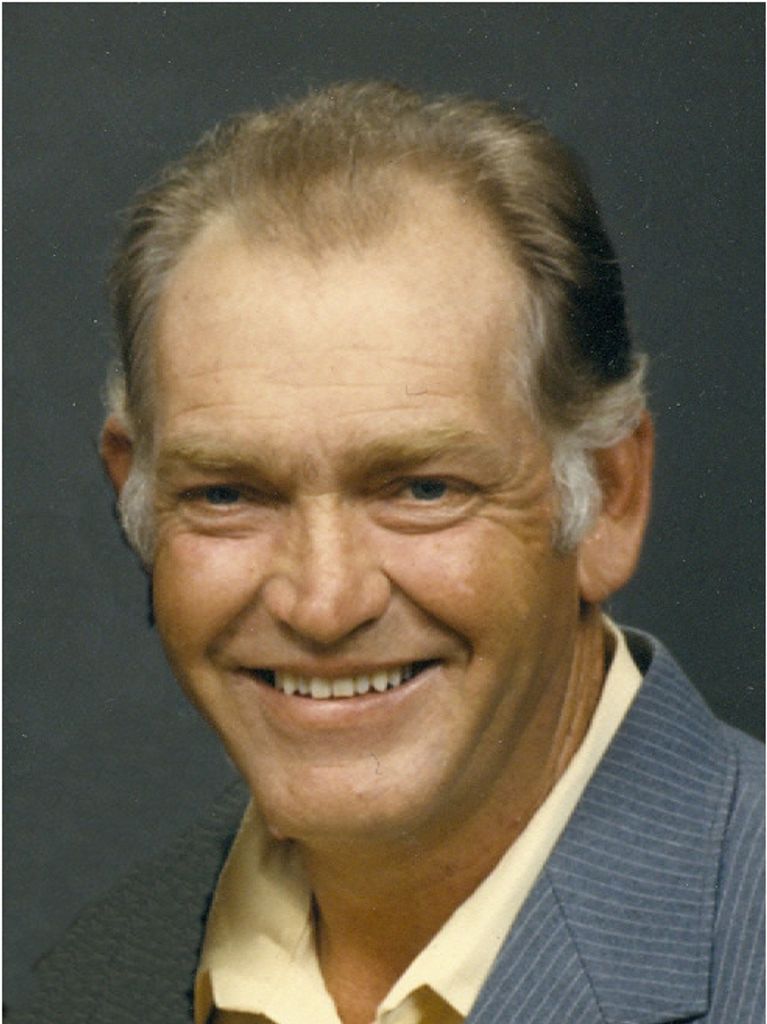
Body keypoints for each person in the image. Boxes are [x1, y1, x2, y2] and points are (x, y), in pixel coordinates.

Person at [17, 81, 763, 1024]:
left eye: (422, 489)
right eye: (228, 494)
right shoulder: (88, 984)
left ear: (608, 497)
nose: (323, 604)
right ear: (136, 494)